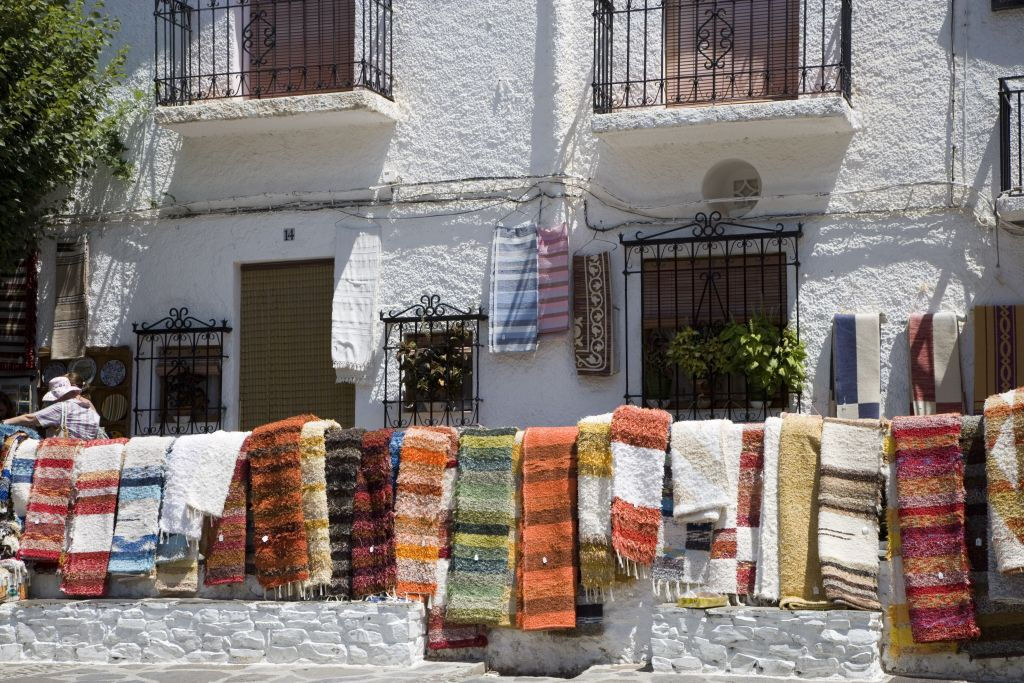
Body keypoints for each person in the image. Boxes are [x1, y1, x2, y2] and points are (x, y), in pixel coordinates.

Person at [3, 375, 101, 440]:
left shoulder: (62, 407)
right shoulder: (88, 408)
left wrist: (3, 422)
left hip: (67, 451)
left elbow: (30, 418)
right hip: (85, 450)